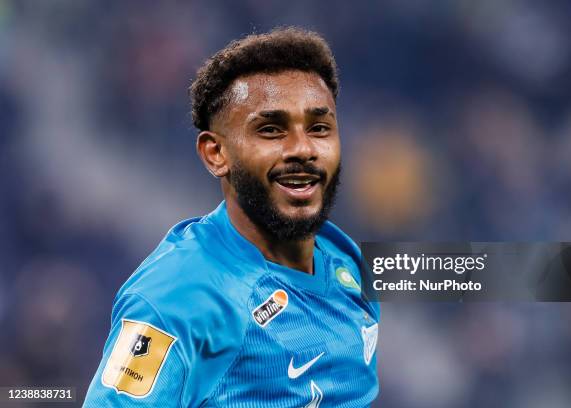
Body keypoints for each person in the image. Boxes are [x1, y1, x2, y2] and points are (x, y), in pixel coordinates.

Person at [84, 27, 379, 407]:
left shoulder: (346, 256)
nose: (303, 148)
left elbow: (463, 272)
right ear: (215, 154)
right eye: (271, 130)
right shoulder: (177, 298)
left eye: (319, 128)